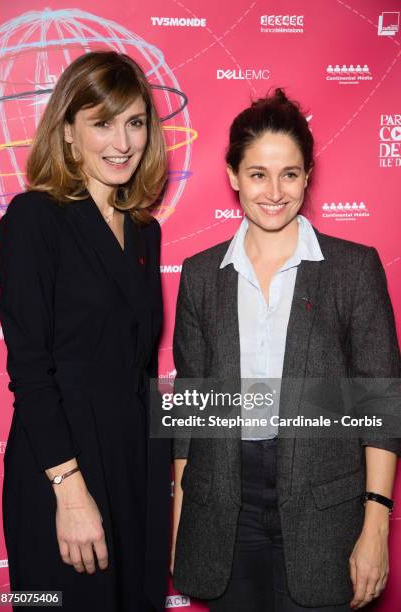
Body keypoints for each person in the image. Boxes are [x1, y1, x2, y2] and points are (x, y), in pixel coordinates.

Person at [170, 89, 400, 611]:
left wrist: (375, 525)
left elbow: (381, 407)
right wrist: (183, 520)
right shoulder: (201, 275)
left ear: (307, 174)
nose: (274, 191)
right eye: (257, 174)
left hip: (325, 512)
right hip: (224, 510)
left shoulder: (353, 270)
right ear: (233, 175)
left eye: (290, 174)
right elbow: (193, 409)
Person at [0, 51, 170, 612]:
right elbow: (29, 370)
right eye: (102, 122)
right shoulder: (32, 219)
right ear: (68, 133)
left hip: (135, 461)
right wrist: (69, 490)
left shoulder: (145, 233)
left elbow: (140, 367)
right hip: (60, 464)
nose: (122, 141)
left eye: (135, 122)